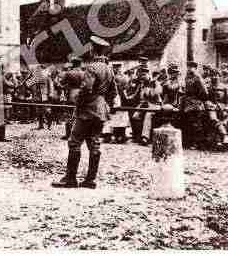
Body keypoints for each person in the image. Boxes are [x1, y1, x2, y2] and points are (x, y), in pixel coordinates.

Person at [52, 36, 117, 189]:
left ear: (93, 49)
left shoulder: (92, 67)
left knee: (74, 142)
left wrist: (78, 103)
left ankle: (70, 178)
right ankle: (90, 180)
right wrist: (104, 103)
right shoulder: (109, 69)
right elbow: (113, 92)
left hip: (87, 110)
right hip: (101, 111)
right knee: (94, 144)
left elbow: (87, 89)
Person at [129, 67, 163, 145]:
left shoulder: (155, 83)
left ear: (148, 74)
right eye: (141, 75)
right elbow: (137, 94)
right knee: (135, 115)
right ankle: (137, 136)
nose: (143, 77)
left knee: (148, 115)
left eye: (144, 75)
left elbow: (157, 93)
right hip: (145, 104)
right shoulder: (142, 84)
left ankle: (145, 137)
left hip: (155, 105)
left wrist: (150, 91)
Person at [181, 61, 208, 149]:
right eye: (188, 67)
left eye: (191, 67)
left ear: (195, 68)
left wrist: (198, 99)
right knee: (189, 123)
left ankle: (198, 143)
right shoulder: (187, 77)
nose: (189, 69)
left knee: (197, 124)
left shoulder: (198, 77)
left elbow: (204, 92)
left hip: (196, 103)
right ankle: (190, 142)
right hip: (188, 103)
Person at [205, 69, 228, 148]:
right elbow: (205, 98)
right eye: (212, 76)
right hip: (211, 108)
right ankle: (225, 136)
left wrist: (226, 109)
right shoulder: (207, 87)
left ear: (219, 76)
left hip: (222, 108)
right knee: (213, 119)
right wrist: (209, 103)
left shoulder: (224, 87)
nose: (214, 77)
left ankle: (219, 141)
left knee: (223, 121)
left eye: (216, 75)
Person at [60, 58, 84, 140]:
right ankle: (79, 134)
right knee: (80, 115)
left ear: (73, 64)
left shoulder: (69, 73)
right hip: (82, 95)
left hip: (71, 94)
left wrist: (66, 86)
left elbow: (62, 83)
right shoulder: (84, 73)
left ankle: (69, 134)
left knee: (69, 114)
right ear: (80, 64)